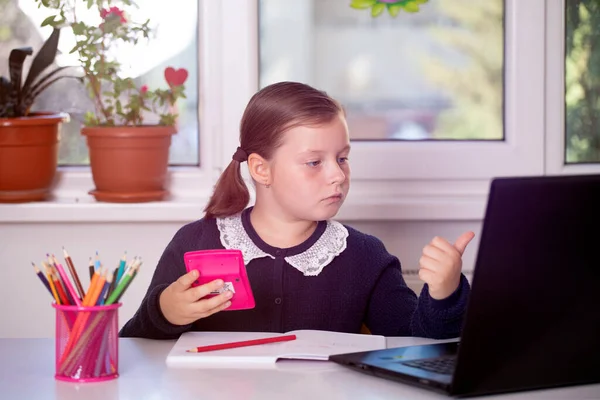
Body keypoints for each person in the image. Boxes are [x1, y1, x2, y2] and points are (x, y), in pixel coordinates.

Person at [119, 81, 474, 340]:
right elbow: (135, 343)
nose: (338, 175)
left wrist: (445, 292)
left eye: (343, 158)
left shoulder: (365, 256)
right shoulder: (195, 241)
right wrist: (166, 311)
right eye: (314, 162)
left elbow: (415, 343)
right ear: (261, 169)